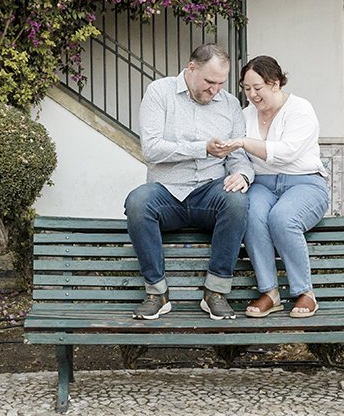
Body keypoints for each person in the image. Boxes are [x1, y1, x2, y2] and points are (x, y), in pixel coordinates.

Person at [124, 43, 253, 320]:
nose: (214, 89)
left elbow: (239, 155)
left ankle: (215, 292)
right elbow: (152, 148)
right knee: (137, 202)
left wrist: (242, 175)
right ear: (191, 68)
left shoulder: (230, 104)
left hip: (210, 192)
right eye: (209, 81)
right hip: (167, 193)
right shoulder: (160, 92)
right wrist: (201, 148)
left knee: (237, 201)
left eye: (220, 83)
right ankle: (157, 294)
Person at [216, 54, 329, 319]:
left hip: (304, 182)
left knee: (282, 217)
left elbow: (286, 152)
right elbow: (238, 156)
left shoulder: (300, 109)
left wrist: (243, 141)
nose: (252, 95)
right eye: (246, 89)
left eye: (258, 88)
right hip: (263, 184)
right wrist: (242, 175)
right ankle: (270, 292)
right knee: (252, 215)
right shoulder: (244, 116)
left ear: (276, 83)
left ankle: (305, 292)